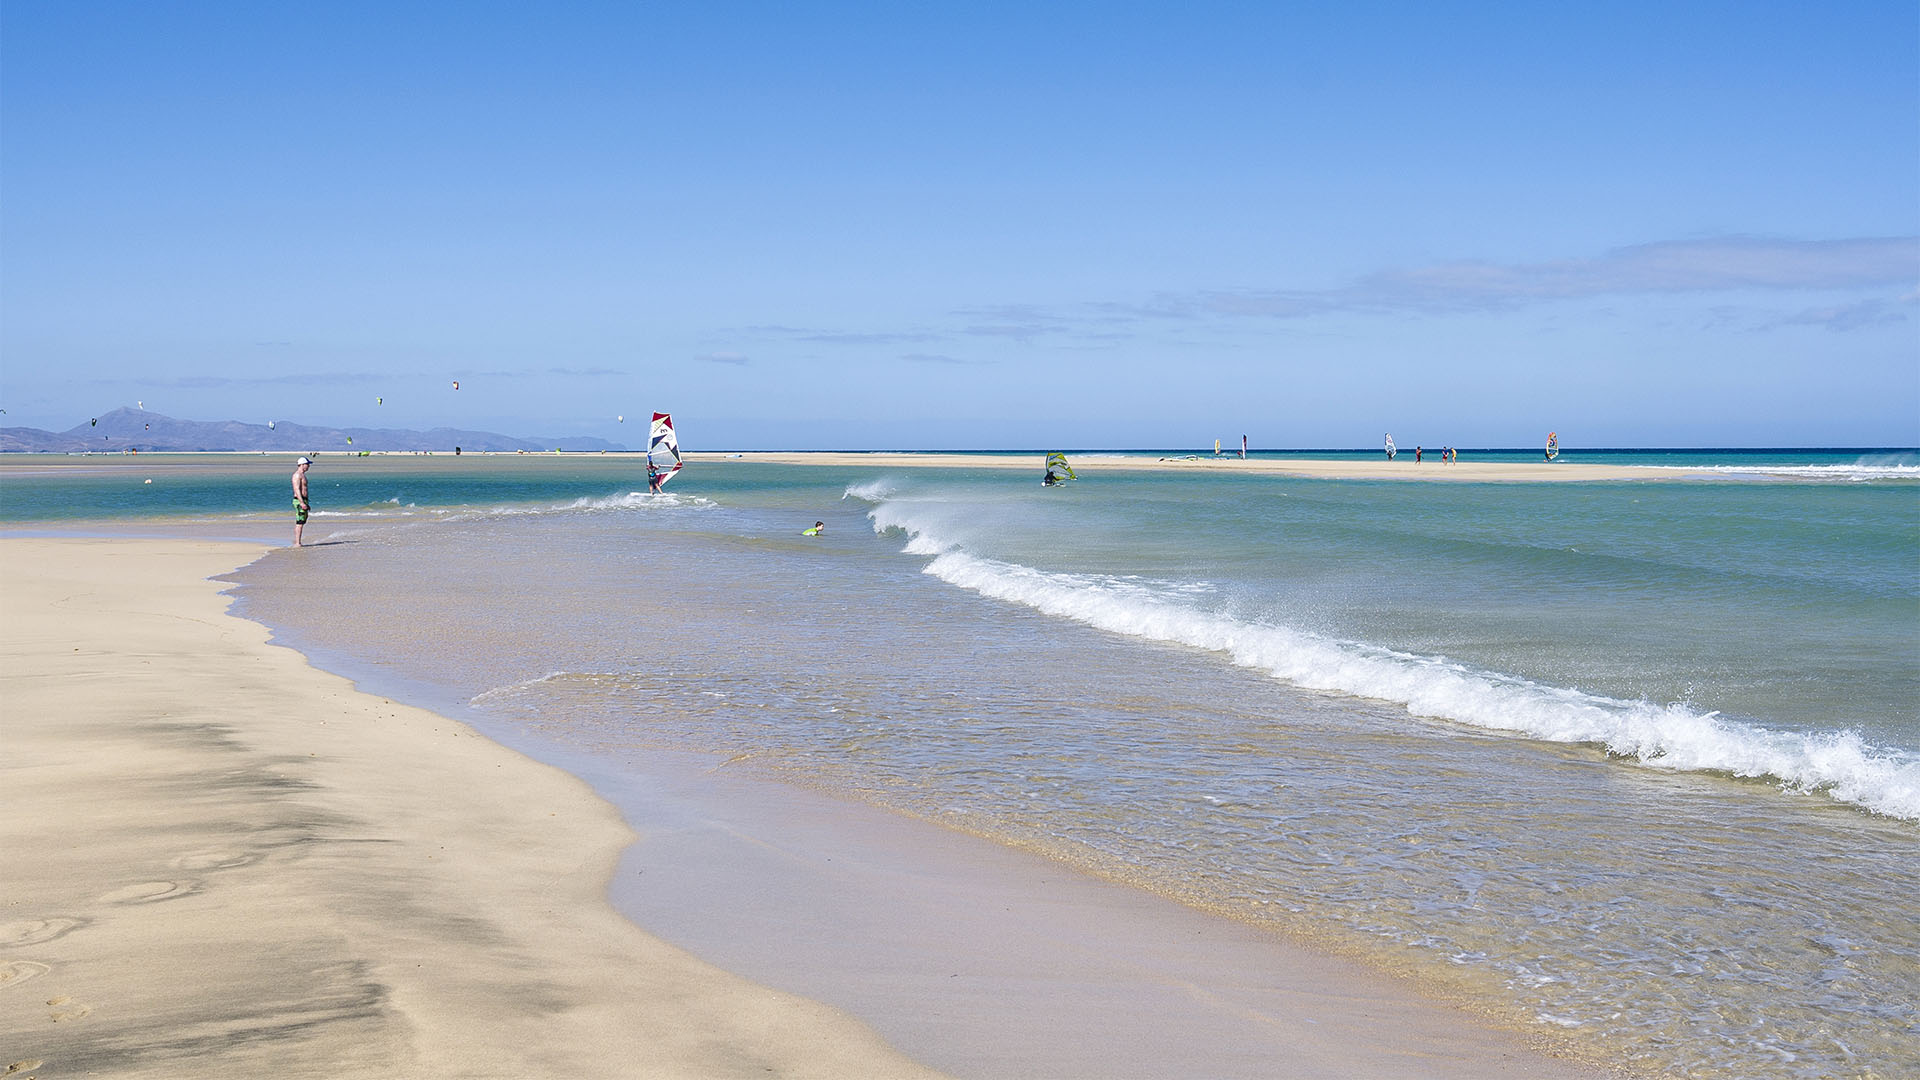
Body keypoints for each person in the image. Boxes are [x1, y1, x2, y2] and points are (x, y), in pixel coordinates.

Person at [291, 457, 312, 546]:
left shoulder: (302, 475)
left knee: (303, 520)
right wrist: (302, 502)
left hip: (304, 500)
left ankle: (298, 541)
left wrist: (306, 502)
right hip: (299, 500)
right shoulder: (297, 475)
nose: (308, 466)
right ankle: (297, 543)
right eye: (307, 464)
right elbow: (297, 489)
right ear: (303, 465)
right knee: (300, 521)